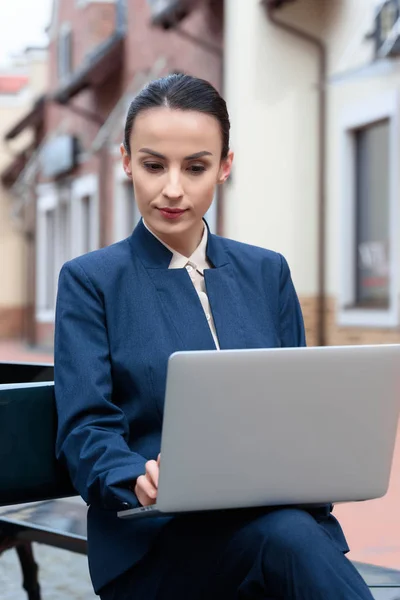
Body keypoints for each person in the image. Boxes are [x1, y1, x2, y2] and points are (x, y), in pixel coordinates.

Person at [54, 73, 374, 600]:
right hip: (155, 539)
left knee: (291, 537)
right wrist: (133, 476)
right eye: (154, 165)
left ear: (225, 166)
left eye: (196, 166)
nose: (173, 188)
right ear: (127, 161)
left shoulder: (266, 272)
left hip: (273, 523)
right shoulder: (93, 281)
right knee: (291, 543)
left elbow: (299, 409)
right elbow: (86, 426)